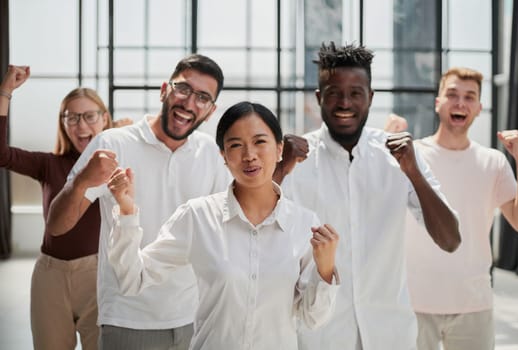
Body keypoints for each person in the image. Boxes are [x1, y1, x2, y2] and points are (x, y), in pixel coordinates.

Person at [105, 101, 341, 350]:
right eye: (236, 145)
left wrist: (324, 270)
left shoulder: (304, 224)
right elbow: (133, 279)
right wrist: (127, 212)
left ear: (280, 149)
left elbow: (313, 319)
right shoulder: (198, 217)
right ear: (224, 156)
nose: (249, 155)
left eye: (260, 142)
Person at [279, 42, 461, 350]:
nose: (345, 103)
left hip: (390, 333)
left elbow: (450, 240)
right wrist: (280, 171)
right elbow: (252, 226)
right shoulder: (295, 161)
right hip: (320, 334)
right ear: (319, 97)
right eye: (334, 92)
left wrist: (413, 172)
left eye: (356, 92)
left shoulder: (401, 157)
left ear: (371, 97)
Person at [46, 54, 232, 350]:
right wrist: (83, 180)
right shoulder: (112, 143)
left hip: (192, 317)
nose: (188, 103)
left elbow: (226, 229)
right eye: (183, 89)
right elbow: (57, 226)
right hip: (127, 318)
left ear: (210, 111)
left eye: (202, 98)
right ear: (164, 90)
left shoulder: (211, 153)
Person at [392, 67, 518, 349]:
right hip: (414, 300)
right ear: (438, 102)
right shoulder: (410, 154)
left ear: (479, 108)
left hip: (473, 302)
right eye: (452, 95)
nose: (460, 103)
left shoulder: (493, 162)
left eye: (469, 97)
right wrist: (381, 138)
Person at [0, 65, 112, 350]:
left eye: (89, 116)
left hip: (98, 274)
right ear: (63, 123)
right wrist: (5, 92)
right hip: (50, 277)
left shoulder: (117, 162)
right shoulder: (48, 164)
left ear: (104, 119)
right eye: (71, 117)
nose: (81, 125)